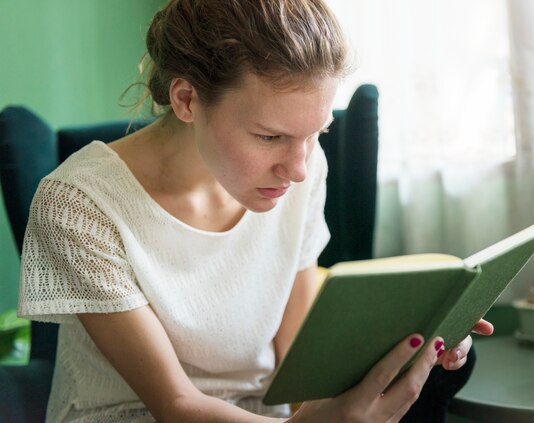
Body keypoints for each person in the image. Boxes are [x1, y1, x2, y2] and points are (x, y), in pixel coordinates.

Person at [18, 0, 493, 422]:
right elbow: (174, 406)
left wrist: (420, 336)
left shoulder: (300, 172)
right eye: (271, 137)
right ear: (186, 99)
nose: (299, 168)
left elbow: (299, 358)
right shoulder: (79, 204)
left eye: (316, 133)